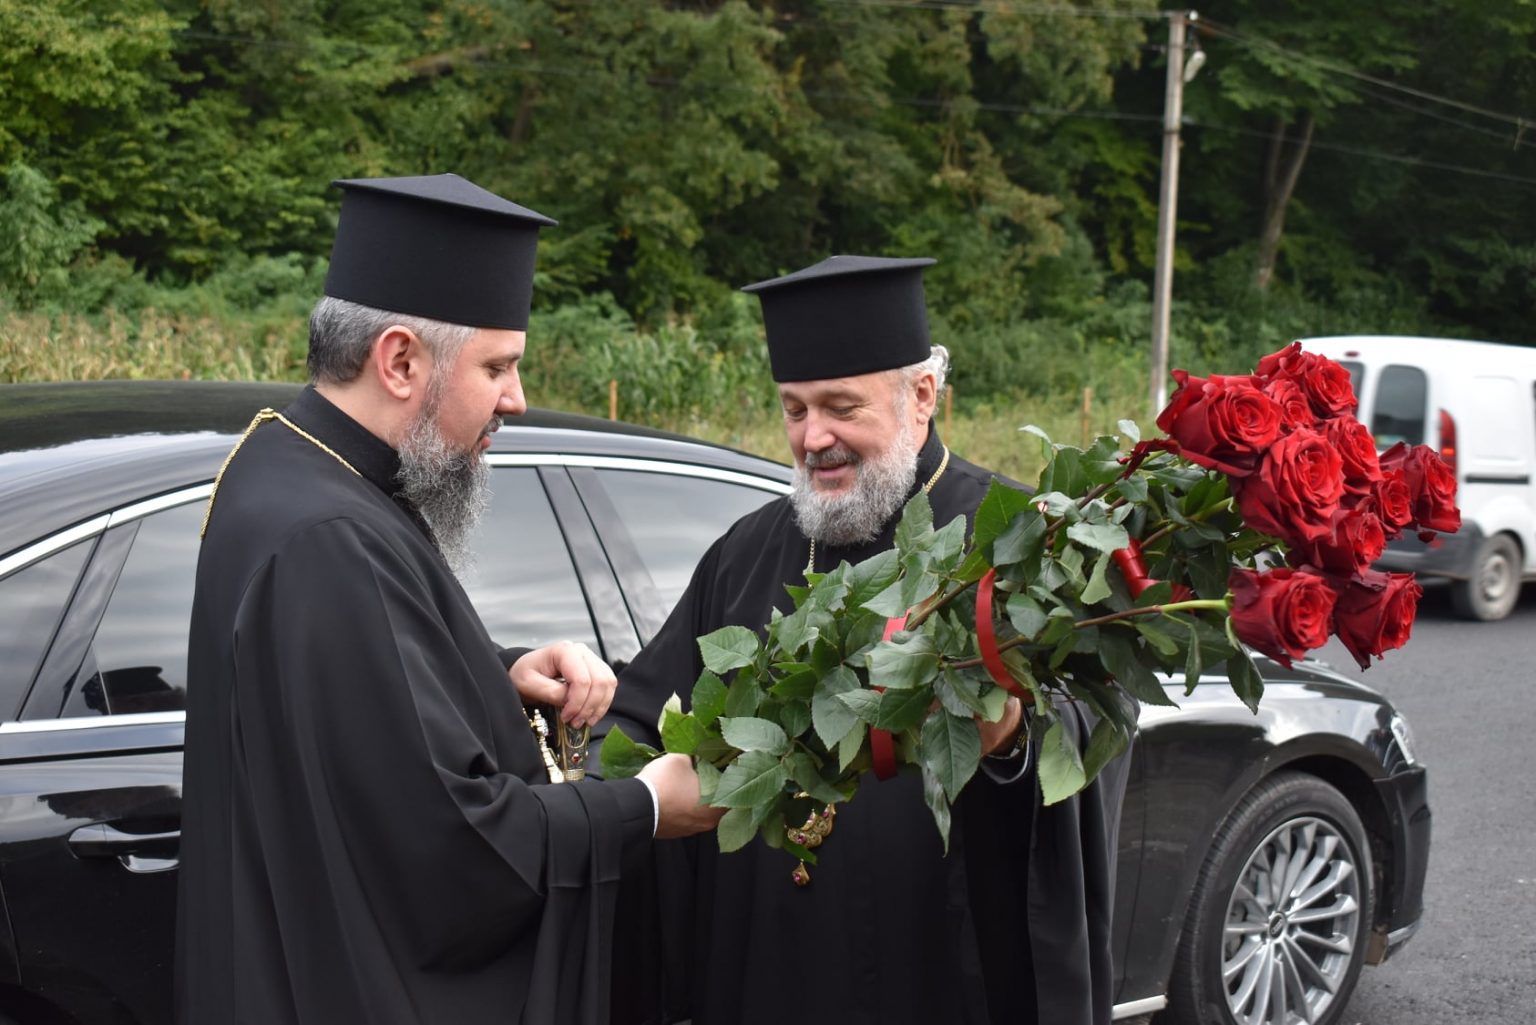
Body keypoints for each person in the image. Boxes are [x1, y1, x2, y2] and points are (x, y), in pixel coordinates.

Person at [176, 173, 720, 1025]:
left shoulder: (284, 465)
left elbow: (352, 700)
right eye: (498, 366)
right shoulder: (331, 535)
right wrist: (647, 803)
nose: (517, 398)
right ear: (399, 360)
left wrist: (493, 673)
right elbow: (460, 846)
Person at [604, 255, 1132, 1025]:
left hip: (937, 972)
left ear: (921, 396)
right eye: (792, 409)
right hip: (763, 976)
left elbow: (1099, 718)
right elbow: (649, 710)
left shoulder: (1021, 541)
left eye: (839, 406)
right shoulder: (745, 554)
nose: (812, 436)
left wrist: (1012, 736)